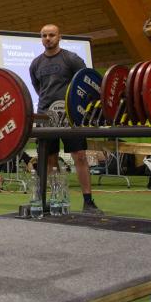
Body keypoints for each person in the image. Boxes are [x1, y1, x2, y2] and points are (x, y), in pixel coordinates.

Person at [30, 24, 102, 214]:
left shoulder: (71, 58)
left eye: (51, 35)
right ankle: (56, 200)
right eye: (44, 35)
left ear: (59, 37)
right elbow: (39, 88)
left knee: (80, 156)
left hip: (70, 116)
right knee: (50, 159)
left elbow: (86, 82)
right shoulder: (36, 64)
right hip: (46, 116)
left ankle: (88, 201)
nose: (48, 38)